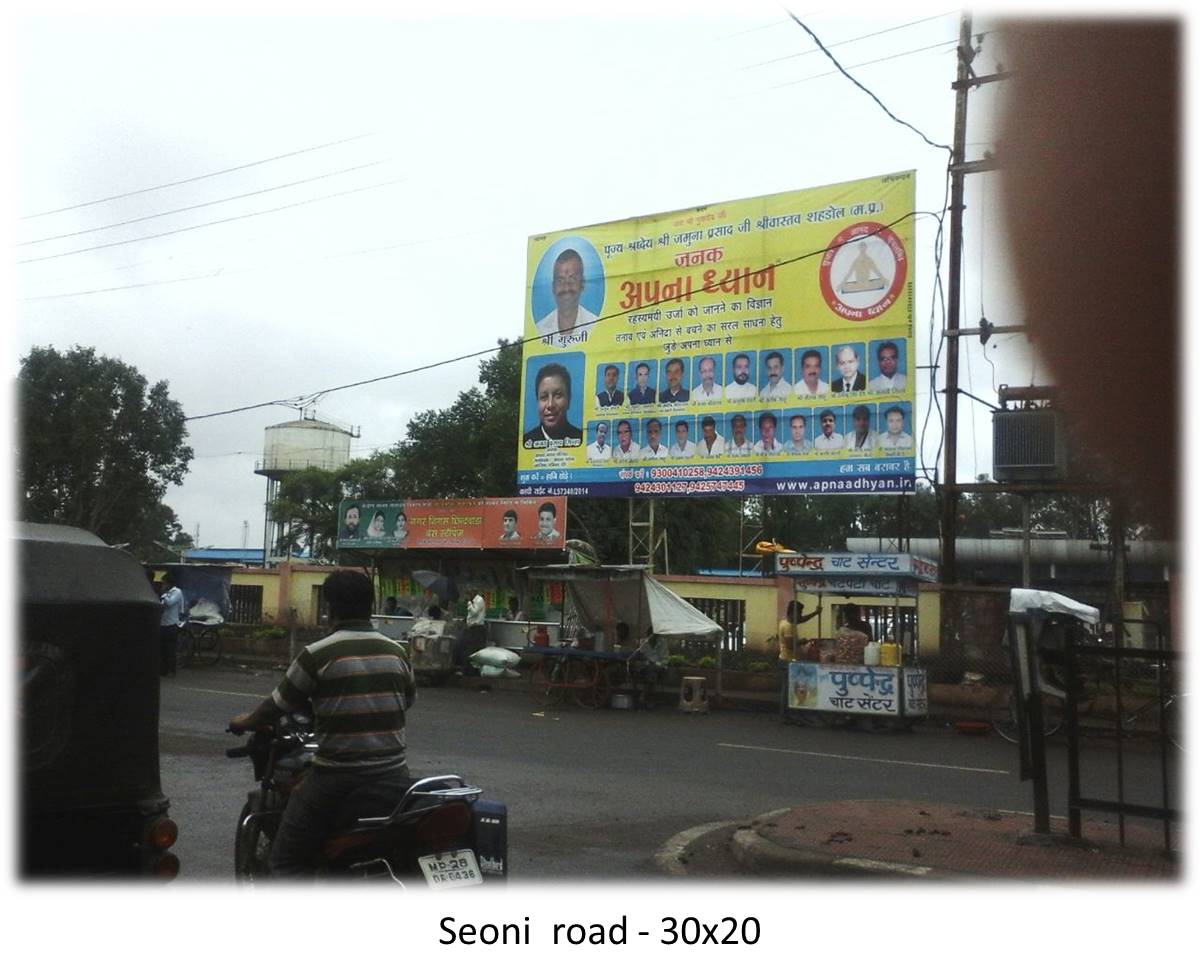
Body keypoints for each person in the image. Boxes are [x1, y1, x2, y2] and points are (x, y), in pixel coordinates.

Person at [228, 570, 416, 877]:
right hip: (394, 774)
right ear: (371, 604)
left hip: (337, 778)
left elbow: (277, 705)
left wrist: (245, 721)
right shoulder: (397, 652)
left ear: (330, 607)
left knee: (285, 860)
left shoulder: (317, 654)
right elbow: (406, 700)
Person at [536, 248, 598, 340]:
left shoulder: (596, 326)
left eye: (572, 279)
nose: (566, 287)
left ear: (582, 284)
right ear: (553, 287)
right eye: (560, 280)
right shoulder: (539, 331)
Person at [522, 362, 583, 446]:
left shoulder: (582, 439)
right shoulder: (526, 442)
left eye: (558, 395)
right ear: (537, 401)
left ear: (569, 399)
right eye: (544, 397)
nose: (550, 405)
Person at [158, 571, 186, 677]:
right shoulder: (166, 594)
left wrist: (164, 595)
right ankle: (163, 670)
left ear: (169, 583)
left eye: (164, 583)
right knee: (163, 648)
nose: (163, 585)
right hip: (163, 623)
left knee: (170, 649)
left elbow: (170, 603)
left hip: (172, 623)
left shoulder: (176, 592)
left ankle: (172, 670)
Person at [455, 592, 488, 674]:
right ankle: (466, 667)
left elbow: (474, 612)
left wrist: (469, 603)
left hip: (477, 628)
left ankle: (471, 669)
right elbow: (471, 616)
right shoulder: (474, 602)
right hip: (471, 627)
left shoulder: (479, 600)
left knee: (471, 648)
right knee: (466, 647)